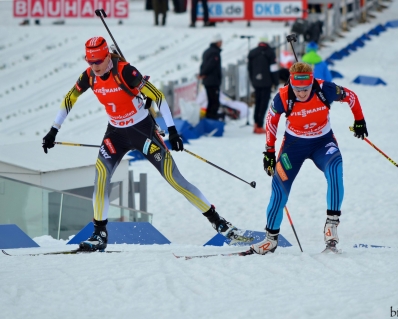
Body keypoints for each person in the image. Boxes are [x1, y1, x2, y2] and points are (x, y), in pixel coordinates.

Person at [41, 36, 252, 251]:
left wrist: (172, 130)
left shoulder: (125, 71)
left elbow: (158, 96)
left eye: (98, 61)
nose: (94, 66)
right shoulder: (89, 76)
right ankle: (99, 233)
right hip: (115, 134)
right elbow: (70, 99)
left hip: (142, 132)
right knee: (101, 178)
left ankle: (219, 222)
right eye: (90, 62)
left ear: (107, 57)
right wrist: (53, 130)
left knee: (174, 179)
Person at [249, 62, 368, 255]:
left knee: (336, 170)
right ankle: (270, 239)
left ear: (311, 83)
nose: (301, 93)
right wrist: (269, 151)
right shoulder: (283, 96)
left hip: (323, 143)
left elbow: (351, 97)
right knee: (279, 190)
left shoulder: (325, 89)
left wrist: (359, 120)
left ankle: (331, 225)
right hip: (294, 146)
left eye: (305, 89)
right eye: (297, 89)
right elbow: (271, 121)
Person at [247, 35, 279, 134]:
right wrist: (276, 82)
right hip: (266, 82)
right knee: (263, 103)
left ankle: (256, 123)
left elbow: (249, 68)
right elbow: (273, 69)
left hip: (256, 81)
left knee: (257, 102)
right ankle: (259, 125)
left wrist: (253, 80)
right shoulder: (270, 52)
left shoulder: (252, 52)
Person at [199, 34, 223, 120]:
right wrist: (203, 73)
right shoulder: (215, 53)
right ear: (217, 42)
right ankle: (212, 118)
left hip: (208, 80)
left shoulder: (207, 51)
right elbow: (210, 65)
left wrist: (202, 73)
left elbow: (203, 65)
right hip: (212, 81)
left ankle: (210, 117)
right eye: (220, 42)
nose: (222, 43)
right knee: (214, 101)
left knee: (211, 100)